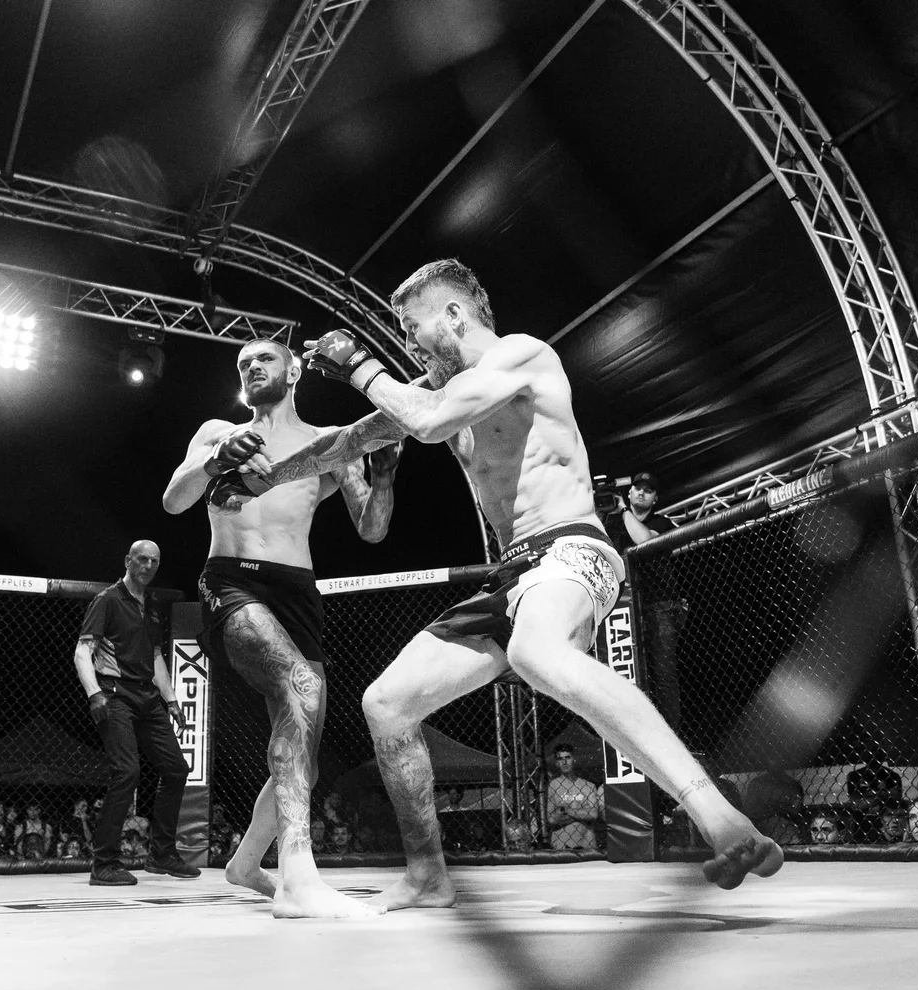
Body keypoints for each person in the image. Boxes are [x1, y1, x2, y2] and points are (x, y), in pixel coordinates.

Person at [224, 259, 781, 908]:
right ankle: (427, 875)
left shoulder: (521, 355)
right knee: (387, 704)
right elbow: (356, 439)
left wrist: (359, 369)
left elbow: (428, 422)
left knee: (535, 652)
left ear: (455, 315)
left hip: (571, 551)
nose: (406, 340)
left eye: (412, 324)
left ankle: (716, 815)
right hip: (512, 575)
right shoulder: (436, 388)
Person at [162, 338, 401, 919]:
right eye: (243, 364)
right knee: (301, 684)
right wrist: (217, 459)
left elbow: (371, 529)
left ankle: (246, 865)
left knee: (307, 757)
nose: (251, 367)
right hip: (232, 580)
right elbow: (174, 500)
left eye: (263, 359)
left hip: (297, 592)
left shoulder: (330, 444)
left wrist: (386, 476)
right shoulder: (218, 430)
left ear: (294, 369)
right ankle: (299, 877)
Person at [74, 540, 198, 886]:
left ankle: (161, 855)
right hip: (114, 695)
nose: (148, 565)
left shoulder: (154, 605)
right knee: (127, 772)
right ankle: (104, 864)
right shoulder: (108, 600)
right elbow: (83, 650)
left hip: (147, 697)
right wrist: (94, 693)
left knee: (176, 768)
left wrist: (172, 701)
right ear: (128, 560)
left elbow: (156, 655)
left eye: (154, 561)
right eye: (142, 559)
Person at [615, 472, 688, 730]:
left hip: (660, 606)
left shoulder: (662, 522)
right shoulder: (616, 525)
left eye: (648, 489)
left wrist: (623, 510)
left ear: (655, 498)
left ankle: (671, 735)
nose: (641, 492)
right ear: (630, 491)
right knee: (630, 674)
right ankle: (637, 731)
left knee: (664, 674)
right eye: (637, 487)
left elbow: (644, 540)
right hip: (625, 609)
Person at [546, 744, 603, 850]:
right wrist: (583, 814)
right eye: (560, 759)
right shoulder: (553, 786)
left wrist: (566, 810)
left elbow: (594, 814)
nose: (564, 762)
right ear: (556, 763)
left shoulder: (589, 786)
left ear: (574, 759)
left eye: (567, 757)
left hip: (587, 844)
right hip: (561, 845)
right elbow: (551, 819)